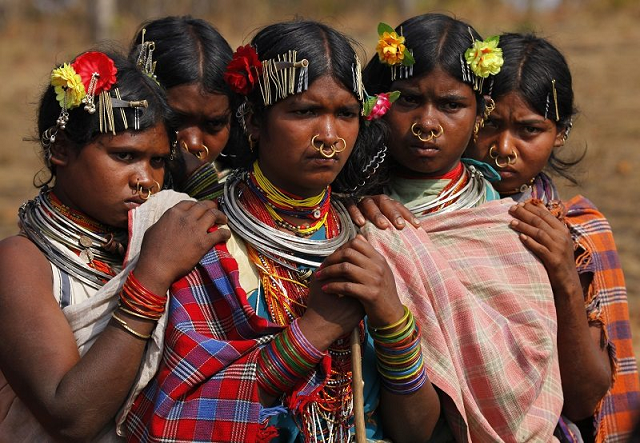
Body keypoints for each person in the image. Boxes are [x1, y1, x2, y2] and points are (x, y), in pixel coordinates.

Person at [124, 20, 440, 443]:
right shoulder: (203, 240)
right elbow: (178, 416)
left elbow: (417, 432)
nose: (329, 137)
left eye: (345, 114)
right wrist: (314, 332)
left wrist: (391, 319)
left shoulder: (377, 236)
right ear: (253, 121)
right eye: (305, 111)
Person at [0, 50, 229, 441]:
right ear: (62, 151)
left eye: (158, 161)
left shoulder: (163, 236)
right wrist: (151, 278)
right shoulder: (21, 262)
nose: (145, 179)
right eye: (125, 156)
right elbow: (70, 417)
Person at [360, 14, 565, 441]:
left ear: (479, 113)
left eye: (451, 105)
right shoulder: (354, 210)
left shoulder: (506, 222)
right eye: (408, 99)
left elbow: (528, 360)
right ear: (377, 103)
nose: (427, 123)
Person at [464, 32, 640, 442]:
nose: (503, 148)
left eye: (529, 130)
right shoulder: (423, 215)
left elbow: (583, 401)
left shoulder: (579, 234)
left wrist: (563, 274)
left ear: (560, 133)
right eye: (489, 124)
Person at [129, 15, 240, 198]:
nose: (193, 144)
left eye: (214, 124)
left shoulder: (247, 199)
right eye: (175, 120)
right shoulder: (102, 193)